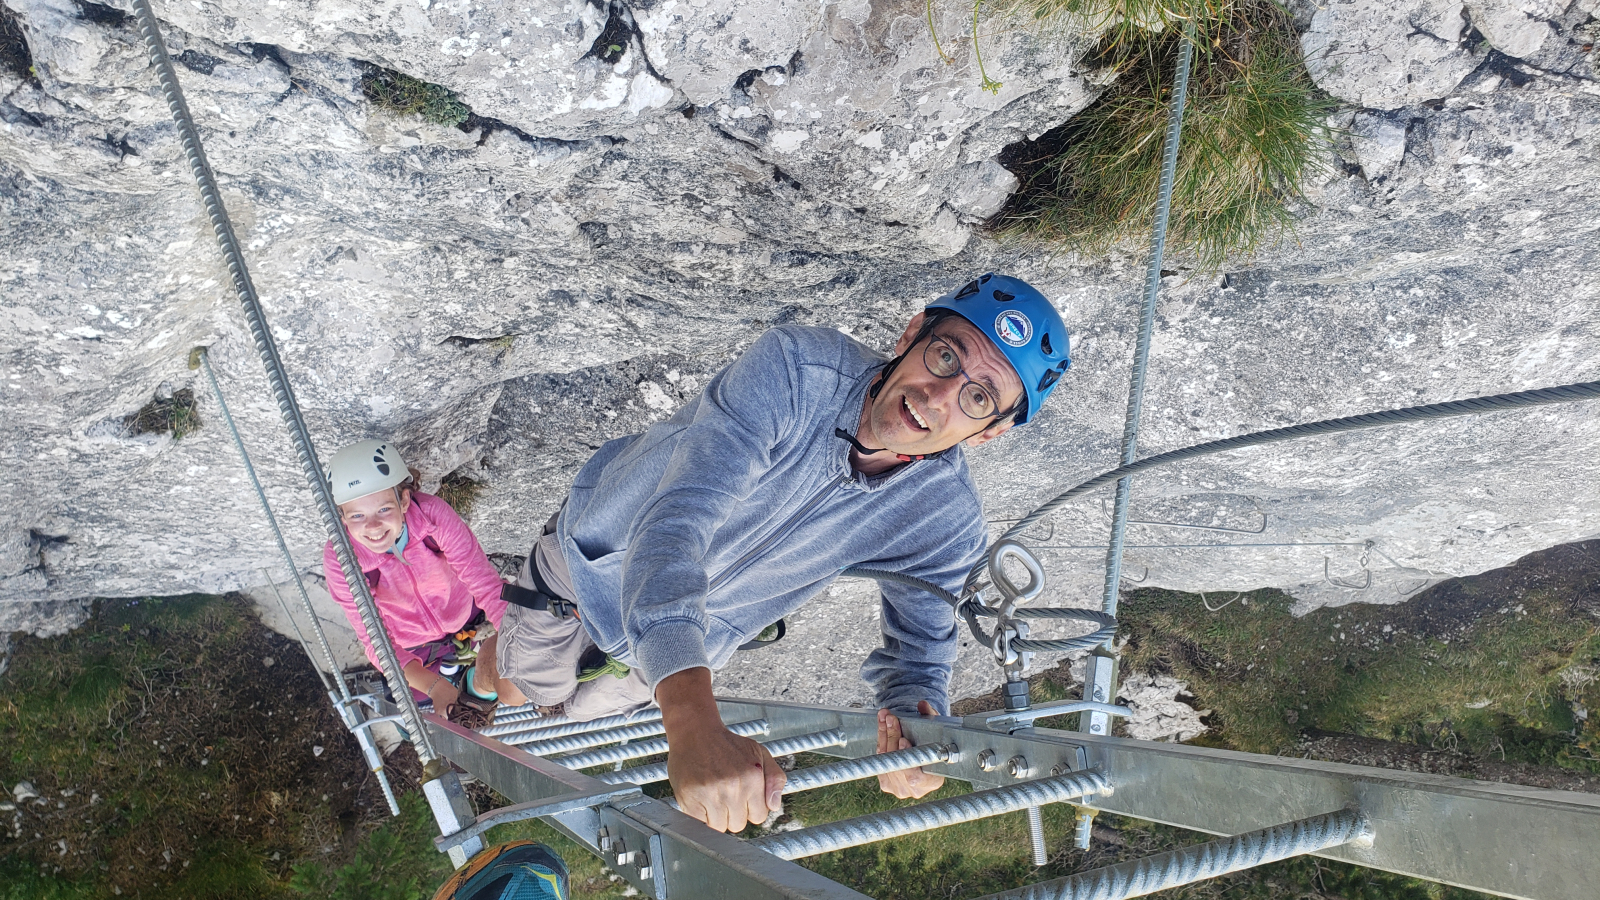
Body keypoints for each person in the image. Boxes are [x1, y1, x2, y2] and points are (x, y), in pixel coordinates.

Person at [488, 273, 1072, 831]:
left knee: (566, 714)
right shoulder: (796, 370)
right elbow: (676, 521)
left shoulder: (942, 520)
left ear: (990, 431)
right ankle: (480, 678)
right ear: (911, 333)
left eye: (977, 396)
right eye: (946, 355)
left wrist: (918, 726)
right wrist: (691, 718)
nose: (937, 394)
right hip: (587, 571)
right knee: (517, 687)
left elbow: (920, 659)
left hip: (675, 656)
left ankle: (507, 690)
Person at [324, 439, 508, 728]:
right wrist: (434, 688)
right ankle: (445, 687)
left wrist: (516, 640)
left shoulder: (432, 517)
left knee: (442, 688)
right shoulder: (342, 560)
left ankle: (461, 678)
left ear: (405, 501)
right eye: (357, 515)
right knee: (417, 703)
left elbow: (483, 582)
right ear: (343, 518)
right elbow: (377, 642)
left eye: (384, 509)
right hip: (414, 645)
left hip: (464, 620)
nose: (373, 527)